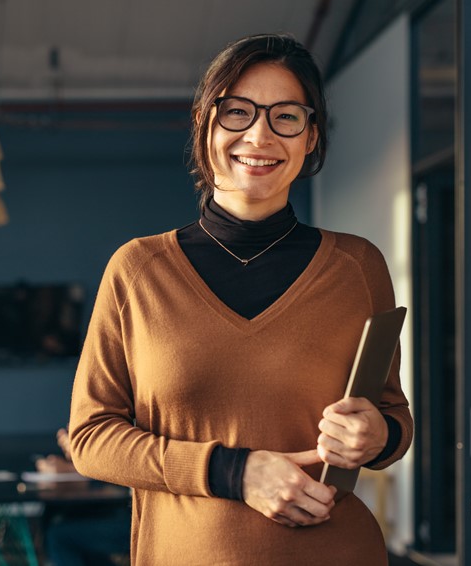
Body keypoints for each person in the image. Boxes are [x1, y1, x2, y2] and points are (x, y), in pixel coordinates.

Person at [68, 33, 413, 565]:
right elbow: (91, 439)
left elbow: (393, 417)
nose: (260, 134)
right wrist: (236, 471)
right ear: (206, 125)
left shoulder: (357, 266)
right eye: (238, 112)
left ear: (311, 135)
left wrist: (378, 435)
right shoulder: (138, 270)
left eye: (286, 116)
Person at [35, 428, 130, 566]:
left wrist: (75, 465)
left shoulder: (123, 437)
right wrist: (76, 459)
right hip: (118, 513)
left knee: (59, 537)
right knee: (55, 521)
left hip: (134, 521)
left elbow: (121, 489)